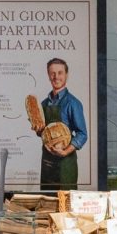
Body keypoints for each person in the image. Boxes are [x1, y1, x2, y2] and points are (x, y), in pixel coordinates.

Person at [34, 58, 87, 190]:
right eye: (52, 73)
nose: (56, 77)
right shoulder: (43, 104)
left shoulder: (73, 103)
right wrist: (38, 130)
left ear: (66, 75)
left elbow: (82, 134)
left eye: (60, 73)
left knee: (65, 205)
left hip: (65, 164)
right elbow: (44, 133)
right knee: (46, 202)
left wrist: (65, 151)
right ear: (48, 75)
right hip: (47, 163)